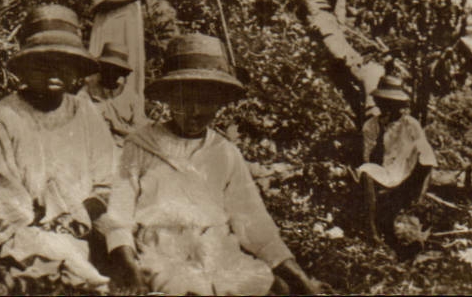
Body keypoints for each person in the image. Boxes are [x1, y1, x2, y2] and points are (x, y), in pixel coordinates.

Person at [118, 33, 322, 295]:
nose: (195, 112)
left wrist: (299, 277)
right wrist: (127, 265)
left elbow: (254, 223)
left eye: (206, 102)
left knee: (272, 286)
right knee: (190, 289)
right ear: (169, 99)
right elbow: (118, 217)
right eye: (185, 100)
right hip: (163, 254)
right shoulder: (140, 146)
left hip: (218, 252)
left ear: (218, 103)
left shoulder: (224, 153)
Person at [0, 3, 141, 294]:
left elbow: (106, 181)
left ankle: (126, 269)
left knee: (134, 234)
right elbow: (8, 208)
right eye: (42, 62)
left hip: (86, 220)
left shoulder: (84, 111)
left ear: (77, 69)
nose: (54, 71)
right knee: (46, 253)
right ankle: (91, 277)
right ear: (25, 67)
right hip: (31, 229)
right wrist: (57, 222)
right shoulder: (2, 120)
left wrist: (85, 217)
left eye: (64, 62)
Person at [359, 75, 437, 242]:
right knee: (366, 172)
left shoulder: (410, 124)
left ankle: (414, 204)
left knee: (422, 148)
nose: (389, 108)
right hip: (385, 171)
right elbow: (368, 157)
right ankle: (371, 229)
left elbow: (427, 158)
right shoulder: (371, 125)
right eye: (385, 102)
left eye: (393, 103)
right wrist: (381, 133)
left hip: (407, 171)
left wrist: (420, 194)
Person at [82, 44, 143, 142]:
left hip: (123, 147)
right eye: (107, 68)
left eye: (116, 70)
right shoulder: (87, 90)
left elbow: (140, 130)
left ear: (122, 72)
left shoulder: (130, 96)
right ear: (100, 68)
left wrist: (116, 126)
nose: (110, 73)